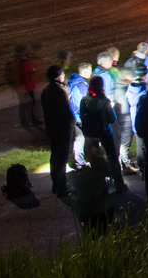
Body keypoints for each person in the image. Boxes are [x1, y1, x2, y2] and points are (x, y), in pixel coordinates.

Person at [78, 76, 127, 194]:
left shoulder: (84, 100)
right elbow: (112, 119)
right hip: (104, 132)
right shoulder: (104, 102)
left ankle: (99, 186)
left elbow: (81, 115)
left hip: (90, 134)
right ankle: (119, 185)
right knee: (112, 157)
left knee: (95, 159)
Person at [41, 64, 74, 196]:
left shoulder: (45, 90)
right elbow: (66, 111)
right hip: (63, 129)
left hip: (52, 128)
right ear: (59, 75)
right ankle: (62, 186)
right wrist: (72, 123)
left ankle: (56, 183)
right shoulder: (60, 91)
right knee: (62, 158)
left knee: (55, 157)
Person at [123, 63, 148, 171]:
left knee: (140, 145)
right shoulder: (144, 90)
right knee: (147, 145)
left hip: (135, 120)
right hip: (146, 121)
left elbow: (128, 98)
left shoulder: (130, 88)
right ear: (144, 75)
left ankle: (141, 166)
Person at [68, 62, 92, 170]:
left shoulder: (73, 82)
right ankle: (91, 160)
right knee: (90, 138)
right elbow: (87, 103)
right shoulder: (82, 86)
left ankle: (79, 162)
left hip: (75, 116)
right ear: (86, 72)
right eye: (90, 71)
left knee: (79, 139)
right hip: (82, 117)